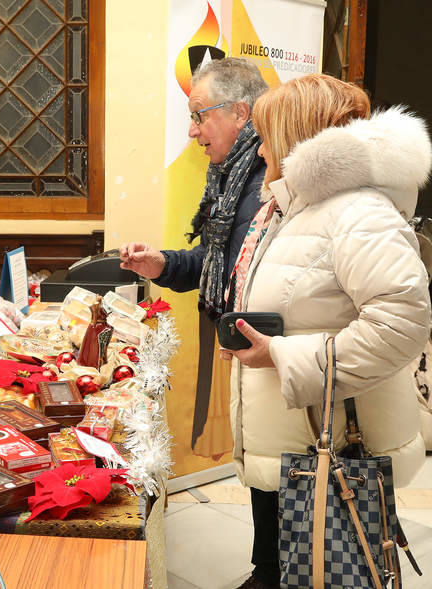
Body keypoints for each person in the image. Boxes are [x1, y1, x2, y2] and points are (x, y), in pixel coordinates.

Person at [220, 74, 431, 589]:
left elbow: (402, 322)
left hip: (333, 437)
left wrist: (285, 356)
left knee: (335, 561)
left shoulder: (358, 212)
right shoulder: (295, 207)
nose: (261, 148)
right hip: (301, 430)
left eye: (267, 134)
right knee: (296, 561)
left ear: (295, 135)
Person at [120, 57, 269, 451]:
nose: (192, 131)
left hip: (272, 361)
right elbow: (215, 258)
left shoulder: (273, 181)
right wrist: (163, 264)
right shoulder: (230, 177)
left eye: (199, 116)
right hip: (249, 356)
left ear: (240, 112)